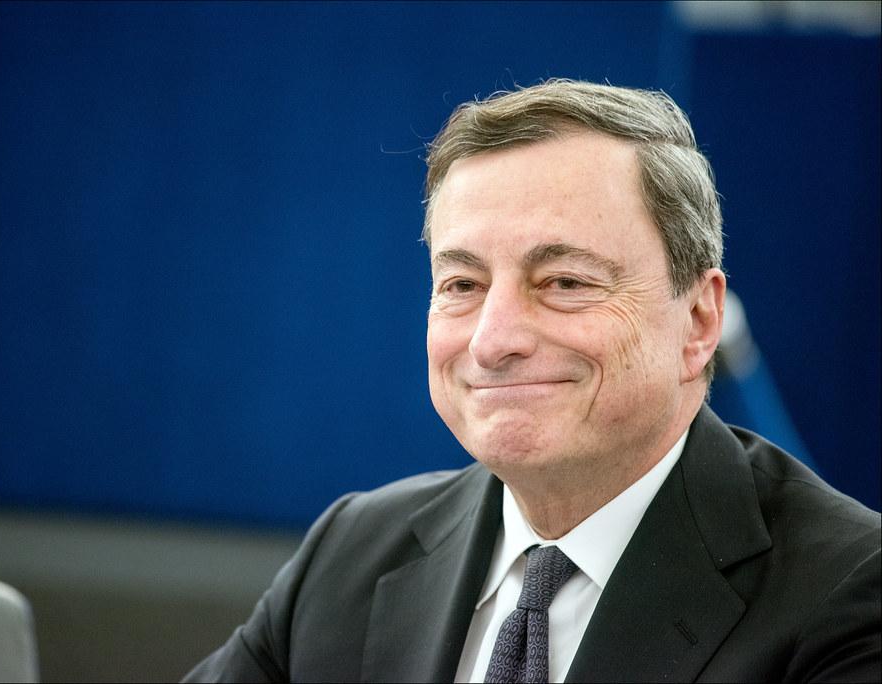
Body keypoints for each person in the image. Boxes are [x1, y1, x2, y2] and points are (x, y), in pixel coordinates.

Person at [184, 79, 880, 683]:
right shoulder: (350, 553)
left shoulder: (848, 594)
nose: (492, 341)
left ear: (698, 323)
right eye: (462, 284)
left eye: (564, 282)